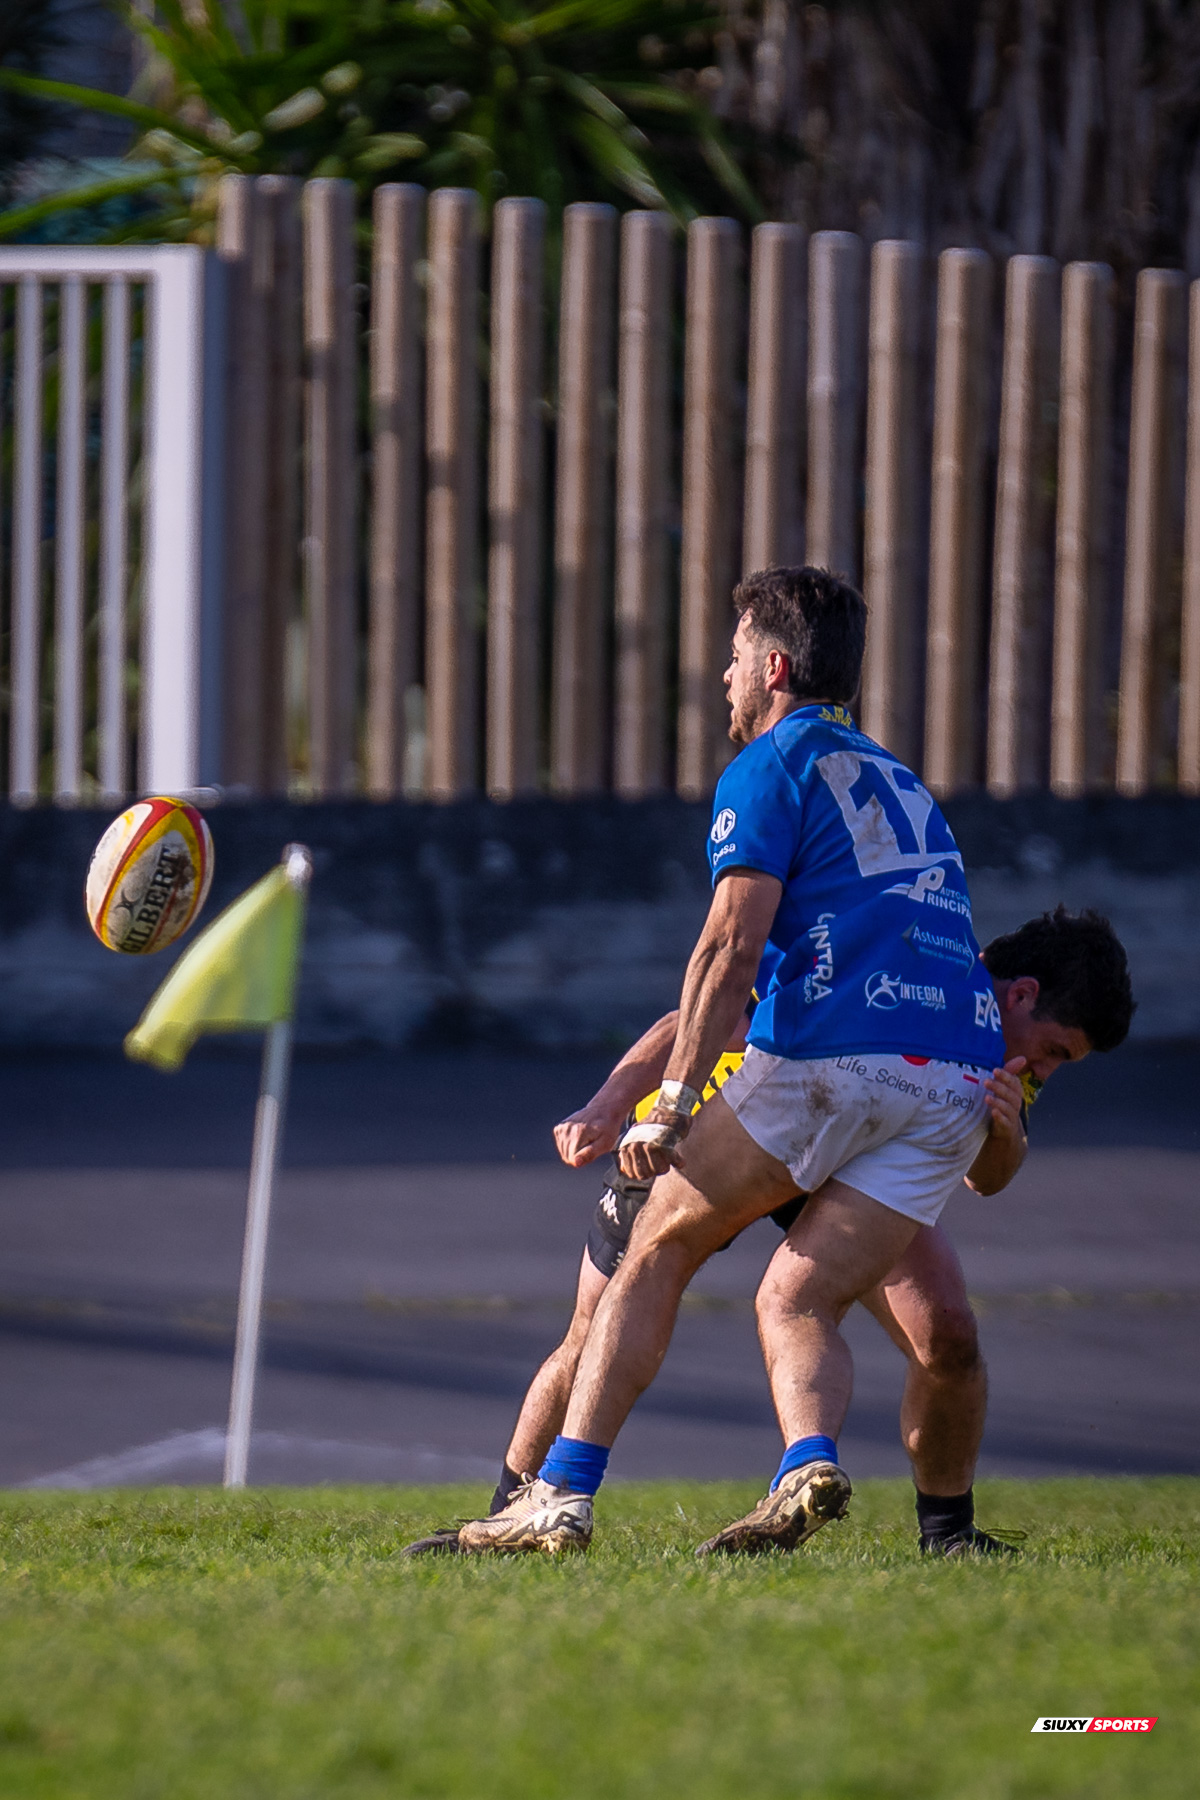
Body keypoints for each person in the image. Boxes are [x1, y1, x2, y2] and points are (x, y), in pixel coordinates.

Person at [448, 565, 1134, 1557]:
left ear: (773, 667)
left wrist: (670, 1104)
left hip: (826, 1066)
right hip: (939, 1083)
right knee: (800, 1297)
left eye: (732, 659)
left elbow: (727, 956)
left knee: (661, 1246)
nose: (724, 679)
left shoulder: (772, 766)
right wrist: (624, 1093)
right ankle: (808, 1461)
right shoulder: (903, 781)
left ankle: (559, 1494)